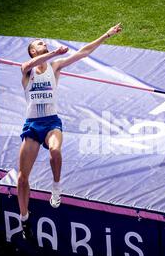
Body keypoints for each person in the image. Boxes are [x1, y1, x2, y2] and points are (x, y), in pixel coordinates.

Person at [18, 23, 123, 239]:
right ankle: (25, 218)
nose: (44, 43)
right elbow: (28, 65)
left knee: (55, 151)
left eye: (45, 43)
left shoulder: (55, 66)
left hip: (51, 123)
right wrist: (54, 52)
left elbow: (83, 53)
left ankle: (56, 187)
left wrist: (106, 34)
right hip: (32, 126)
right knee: (22, 178)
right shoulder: (27, 69)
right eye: (39, 43)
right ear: (32, 51)